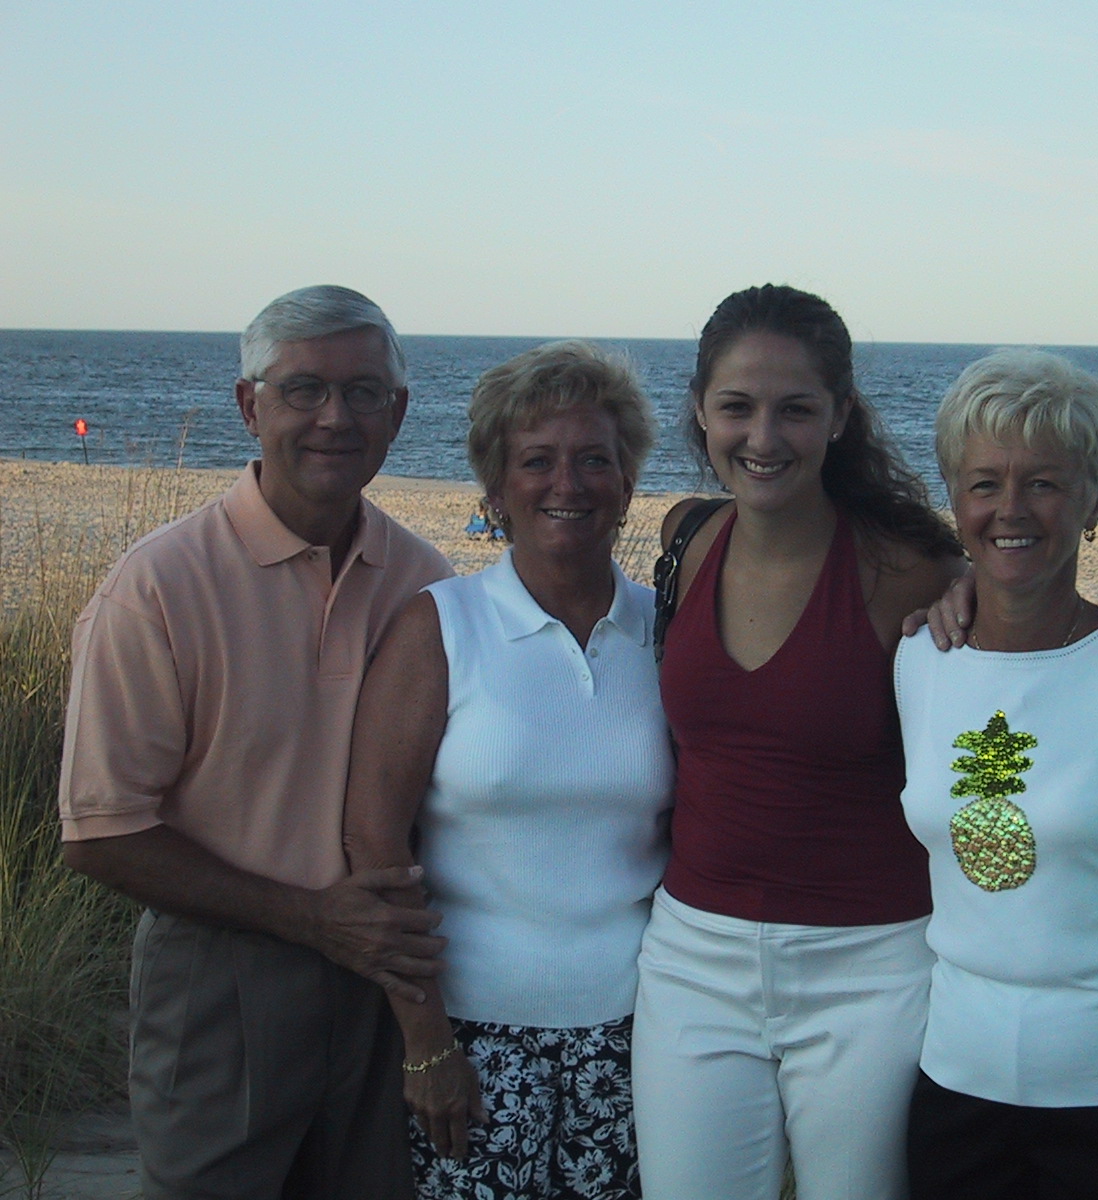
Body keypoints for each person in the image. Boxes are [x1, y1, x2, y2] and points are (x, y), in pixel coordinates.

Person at [59, 285, 453, 1199]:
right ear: (250, 405)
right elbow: (101, 833)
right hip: (221, 974)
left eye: (363, 393)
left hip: (382, 985)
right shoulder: (158, 586)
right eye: (303, 389)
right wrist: (312, 920)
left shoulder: (424, 582)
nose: (334, 417)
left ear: (398, 411)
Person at [630, 283, 965, 1200]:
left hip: (873, 969)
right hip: (692, 960)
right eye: (736, 407)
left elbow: (995, 714)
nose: (763, 438)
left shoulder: (908, 572)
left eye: (796, 410)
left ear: (841, 418)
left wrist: (973, 596)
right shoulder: (687, 539)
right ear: (700, 410)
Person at [343, 340, 673, 1200]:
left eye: (594, 459)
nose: (567, 483)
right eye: (537, 461)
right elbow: (373, 838)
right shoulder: (442, 627)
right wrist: (425, 1040)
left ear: (628, 483)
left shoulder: (668, 633)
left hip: (643, 1037)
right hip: (472, 1040)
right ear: (495, 489)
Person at [895, 349, 1098, 1199]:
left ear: (1095, 501)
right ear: (954, 501)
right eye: (984, 484)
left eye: (1046, 484)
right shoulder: (918, 658)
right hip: (956, 1084)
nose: (1010, 510)